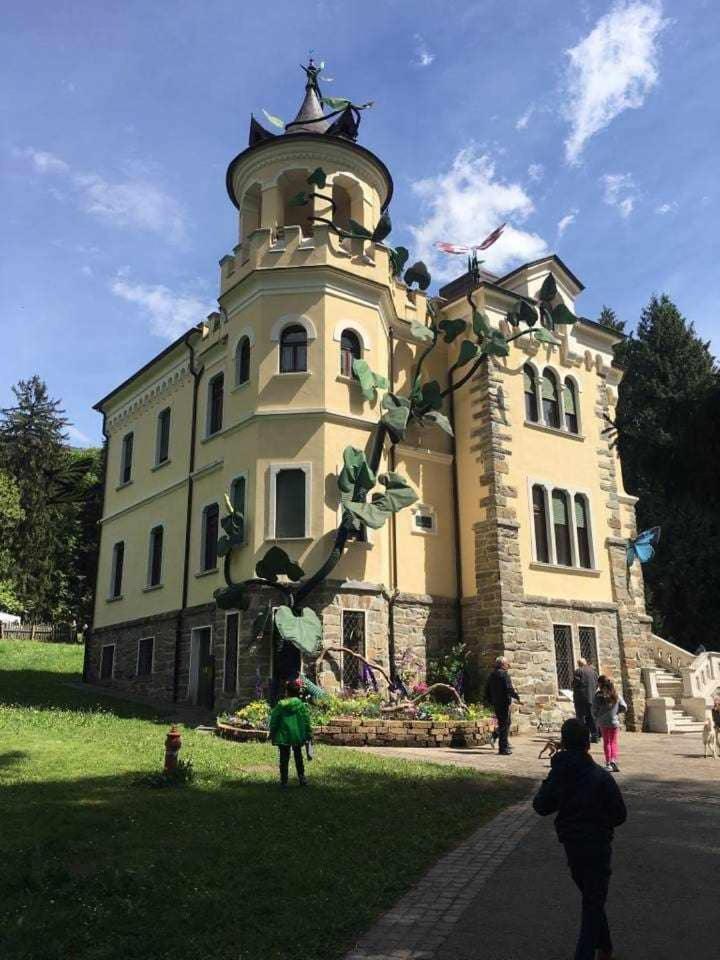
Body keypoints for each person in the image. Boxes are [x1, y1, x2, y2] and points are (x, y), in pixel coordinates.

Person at [533, 718, 627, 960]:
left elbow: (542, 806)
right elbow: (620, 814)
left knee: (592, 898)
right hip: (597, 846)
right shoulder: (600, 777)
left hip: (572, 845)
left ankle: (605, 948)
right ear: (588, 744)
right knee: (593, 902)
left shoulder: (561, 774)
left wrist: (553, 784)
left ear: (563, 744)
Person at [268, 679, 313, 788]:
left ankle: (284, 781)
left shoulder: (281, 705)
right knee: (298, 756)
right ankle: (302, 778)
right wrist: (308, 734)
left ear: (287, 692)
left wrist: (272, 732)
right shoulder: (301, 705)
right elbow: (306, 721)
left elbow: (274, 720)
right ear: (298, 693)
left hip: (283, 736)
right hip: (297, 735)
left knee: (284, 758)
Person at [484, 656, 521, 756]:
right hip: (504, 702)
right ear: (502, 664)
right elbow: (509, 688)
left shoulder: (492, 675)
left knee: (505, 723)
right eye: (507, 663)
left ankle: (500, 741)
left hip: (496, 703)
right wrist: (517, 697)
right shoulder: (504, 674)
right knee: (504, 725)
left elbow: (487, 689)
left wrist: (490, 700)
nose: (508, 665)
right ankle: (503, 748)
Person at [592, 675, 627, 773]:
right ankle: (613, 761)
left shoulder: (599, 695)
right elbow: (624, 707)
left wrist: (597, 715)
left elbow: (594, 709)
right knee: (614, 742)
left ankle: (608, 763)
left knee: (606, 742)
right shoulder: (615, 694)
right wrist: (616, 712)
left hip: (603, 722)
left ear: (600, 684)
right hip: (614, 721)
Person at [572, 658, 599, 743]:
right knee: (591, 717)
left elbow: (575, 684)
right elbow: (597, 684)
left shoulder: (578, 671)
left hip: (581, 699)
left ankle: (583, 736)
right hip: (592, 698)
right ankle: (595, 735)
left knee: (581, 717)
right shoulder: (594, 672)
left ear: (579, 664)